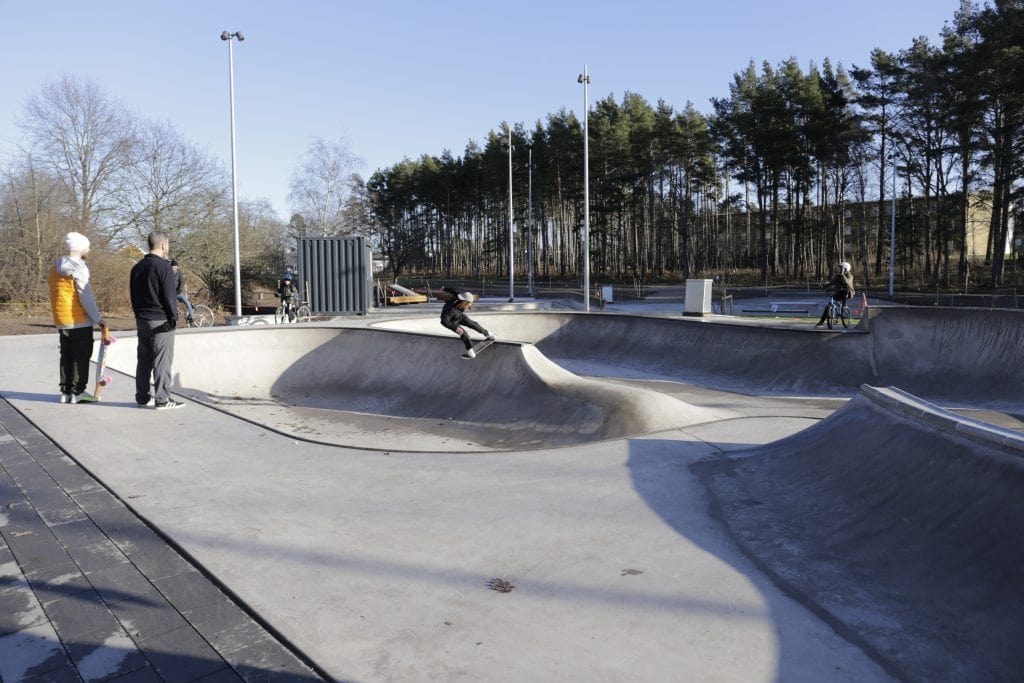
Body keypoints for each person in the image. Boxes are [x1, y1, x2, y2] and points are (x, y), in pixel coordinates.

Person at [47, 232, 106, 404]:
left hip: (61, 320)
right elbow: (85, 296)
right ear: (80, 248)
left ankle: (65, 392)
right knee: (81, 356)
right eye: (87, 247)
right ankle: (78, 392)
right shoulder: (79, 267)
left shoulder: (56, 267)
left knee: (66, 356)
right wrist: (98, 318)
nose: (89, 250)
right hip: (78, 320)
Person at [130, 231, 183, 409]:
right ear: (164, 245)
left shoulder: (137, 267)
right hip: (160, 320)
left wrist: (138, 315)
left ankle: (142, 397)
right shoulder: (163, 267)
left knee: (144, 359)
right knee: (162, 360)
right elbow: (169, 296)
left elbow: (133, 295)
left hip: (142, 319)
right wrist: (173, 318)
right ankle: (162, 399)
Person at [440, 287, 494, 358]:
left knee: (474, 324)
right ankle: (470, 351)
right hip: (451, 321)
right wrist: (455, 328)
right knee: (463, 333)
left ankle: (487, 334)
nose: (470, 305)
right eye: (469, 304)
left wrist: (444, 289)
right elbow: (444, 321)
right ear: (465, 302)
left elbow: (453, 290)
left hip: (459, 316)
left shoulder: (459, 296)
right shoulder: (451, 310)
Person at [816, 260, 856, 327]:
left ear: (845, 269)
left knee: (844, 295)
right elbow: (831, 282)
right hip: (839, 292)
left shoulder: (849, 276)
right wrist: (823, 286)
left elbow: (847, 282)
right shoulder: (838, 276)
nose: (840, 270)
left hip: (847, 292)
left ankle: (844, 306)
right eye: (840, 268)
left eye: (841, 268)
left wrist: (842, 275)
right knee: (829, 305)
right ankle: (821, 322)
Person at [170, 259, 194, 325]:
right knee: (172, 305)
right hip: (171, 294)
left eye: (176, 266)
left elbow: (182, 283)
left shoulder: (179, 273)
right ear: (171, 267)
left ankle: (191, 317)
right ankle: (174, 318)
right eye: (174, 267)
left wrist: (179, 291)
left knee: (188, 303)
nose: (175, 268)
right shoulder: (168, 274)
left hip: (178, 293)